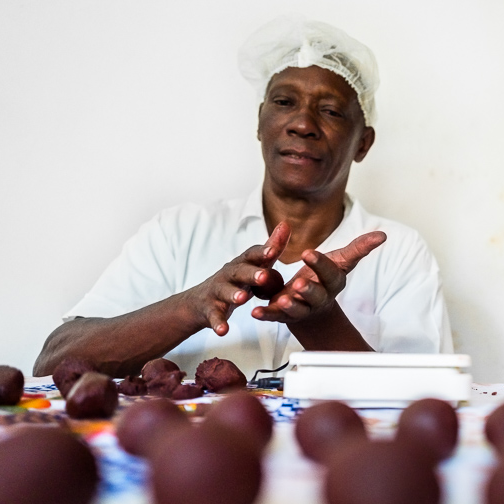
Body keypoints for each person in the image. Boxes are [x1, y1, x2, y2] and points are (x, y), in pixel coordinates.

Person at [33, 16, 452, 379]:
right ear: (260, 122)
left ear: (363, 143)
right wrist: (195, 305)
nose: (302, 123)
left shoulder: (399, 252)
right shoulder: (179, 232)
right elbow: (56, 362)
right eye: (285, 102)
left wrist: (322, 321)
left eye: (330, 110)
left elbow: (427, 403)